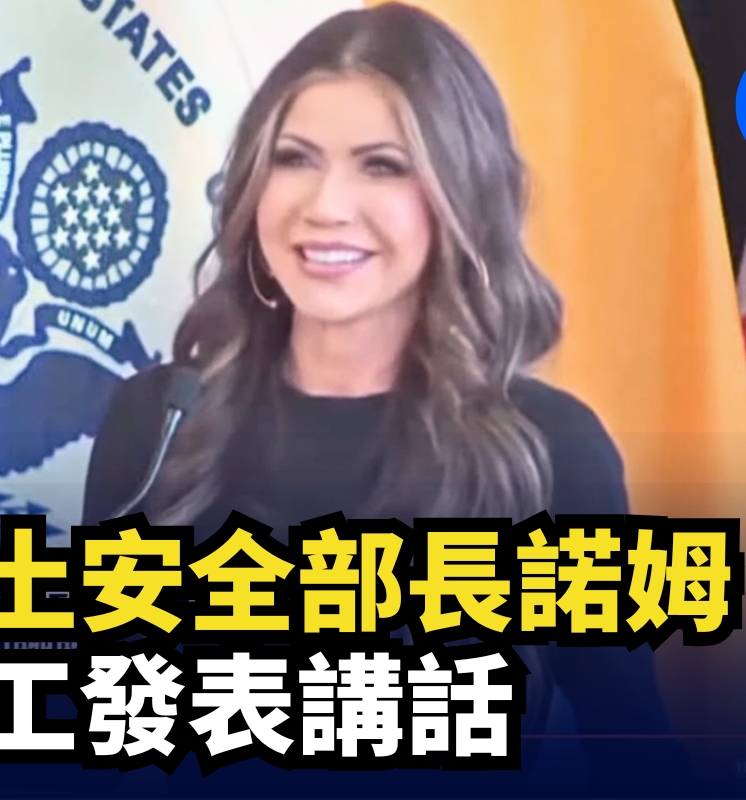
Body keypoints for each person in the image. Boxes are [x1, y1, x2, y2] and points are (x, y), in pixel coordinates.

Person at [84, 1, 690, 788]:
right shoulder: (157, 424)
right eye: (294, 159)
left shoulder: (550, 450)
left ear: (459, 194)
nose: (325, 206)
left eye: (382, 165)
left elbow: (637, 756)